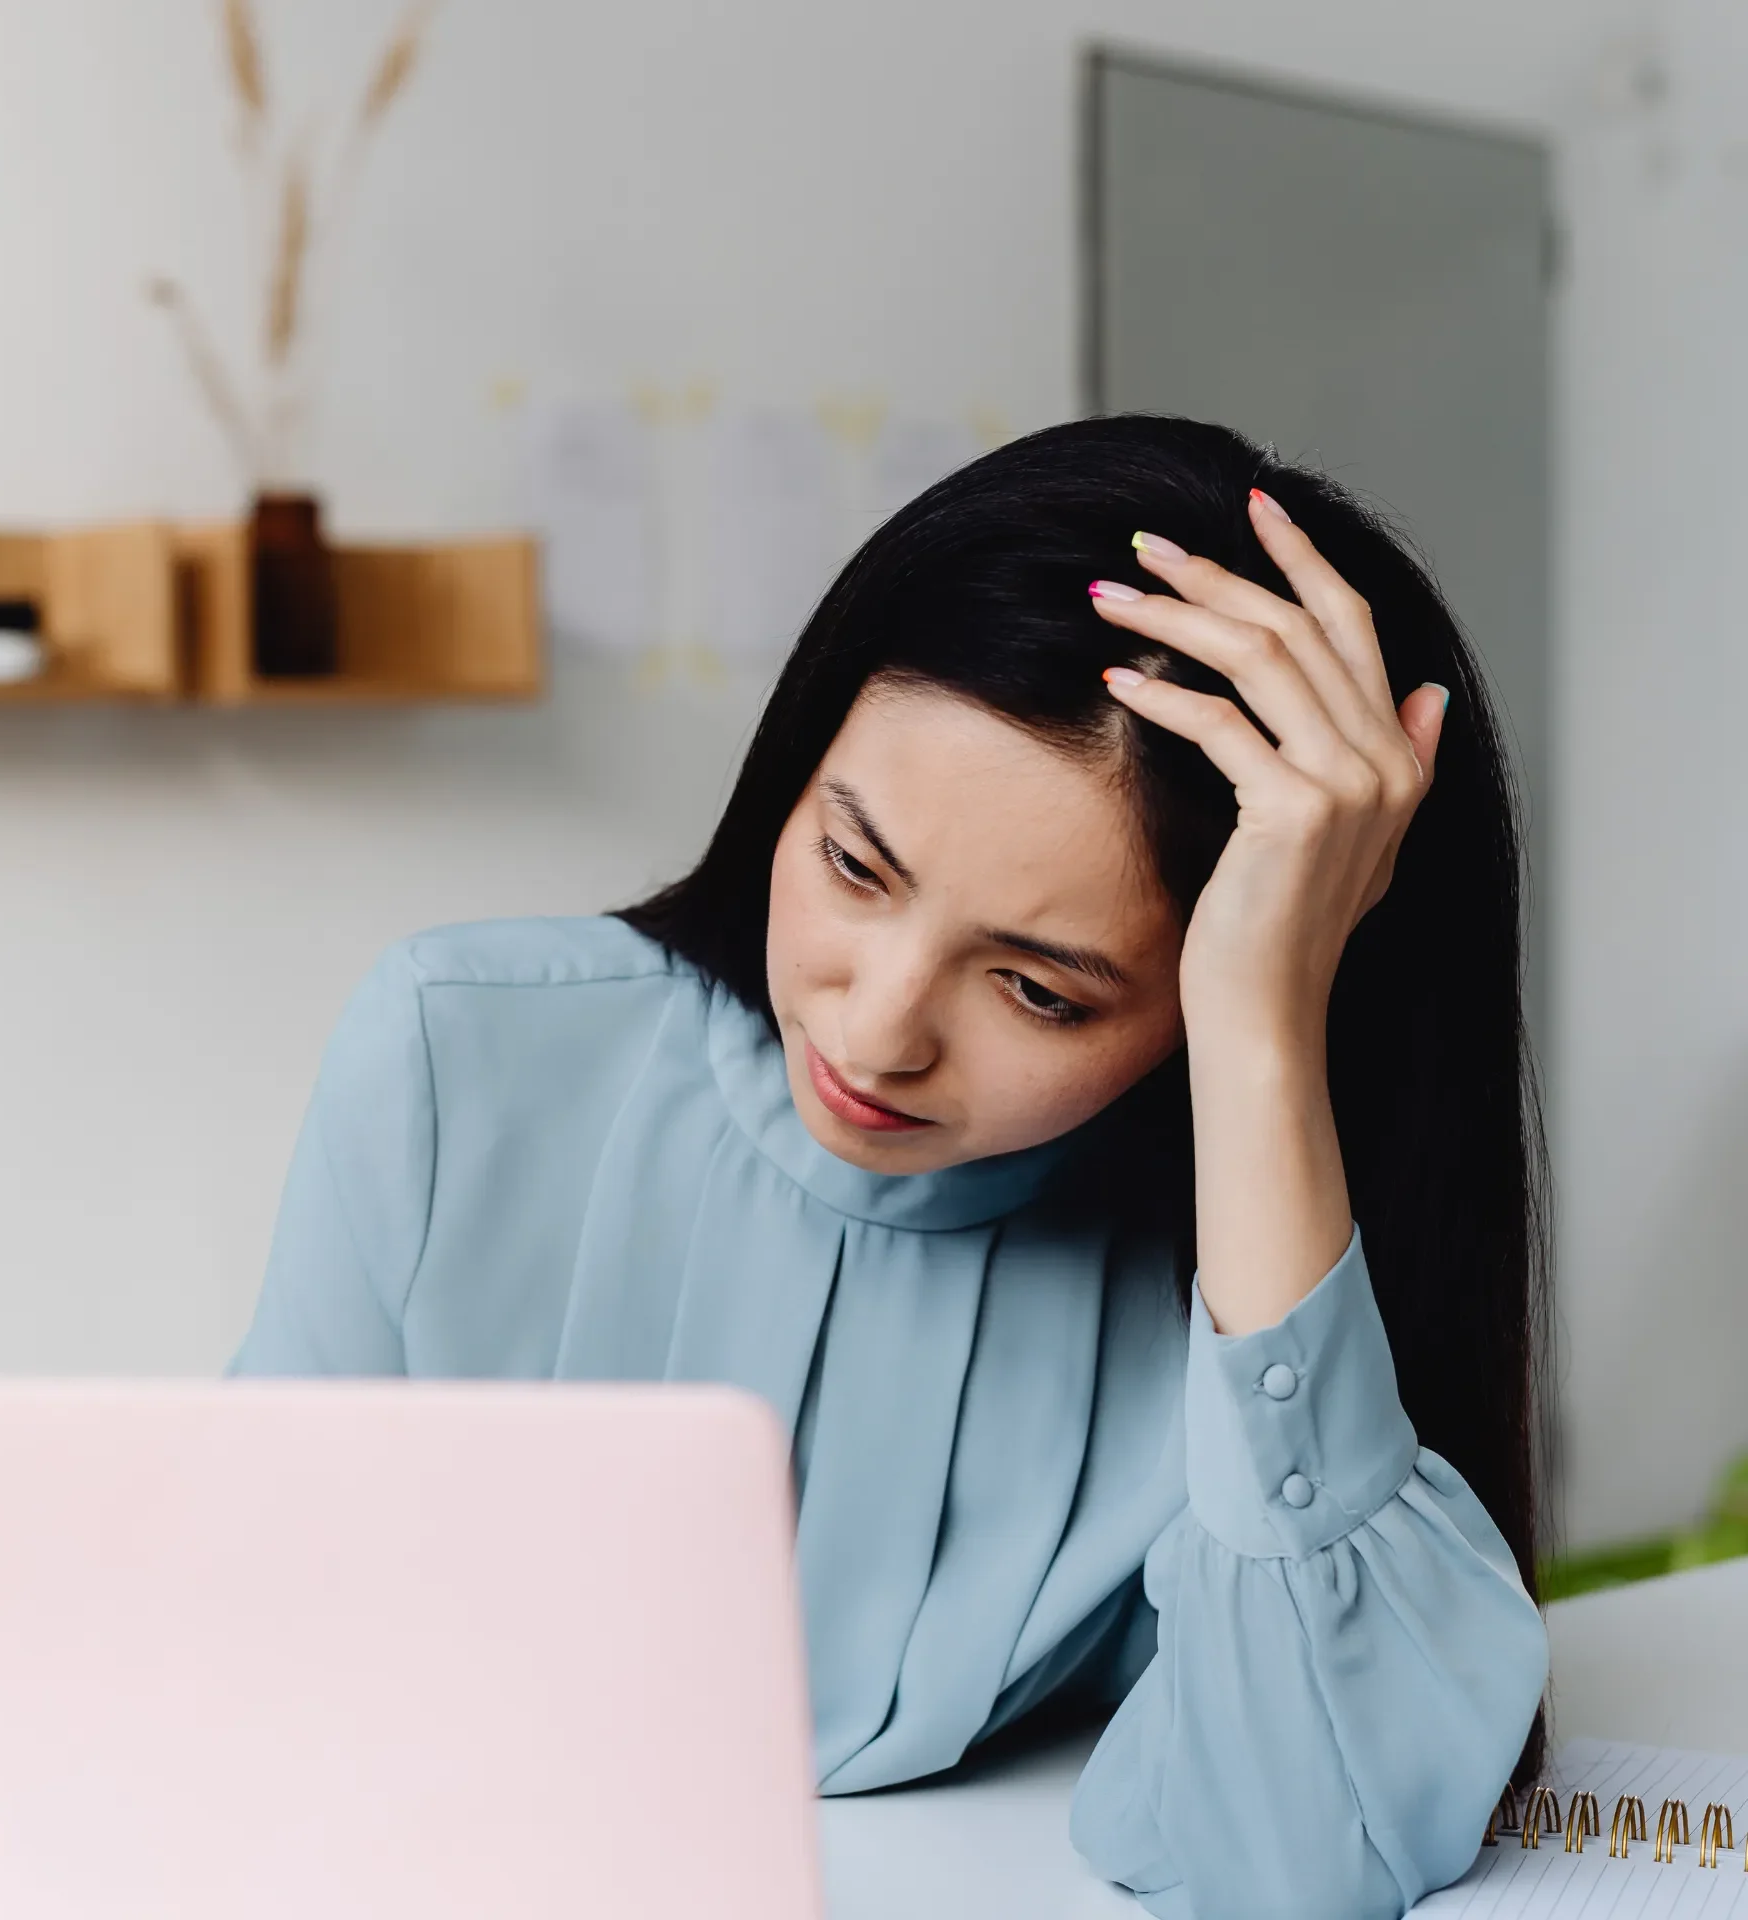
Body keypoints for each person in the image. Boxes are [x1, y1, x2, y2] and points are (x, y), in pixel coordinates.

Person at [232, 414, 1550, 1920]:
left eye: (1042, 991)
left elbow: (1304, 1854)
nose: (878, 1028)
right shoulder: (459, 1055)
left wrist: (1261, 1036)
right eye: (854, 866)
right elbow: (249, 1635)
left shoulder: (1227, 1258)